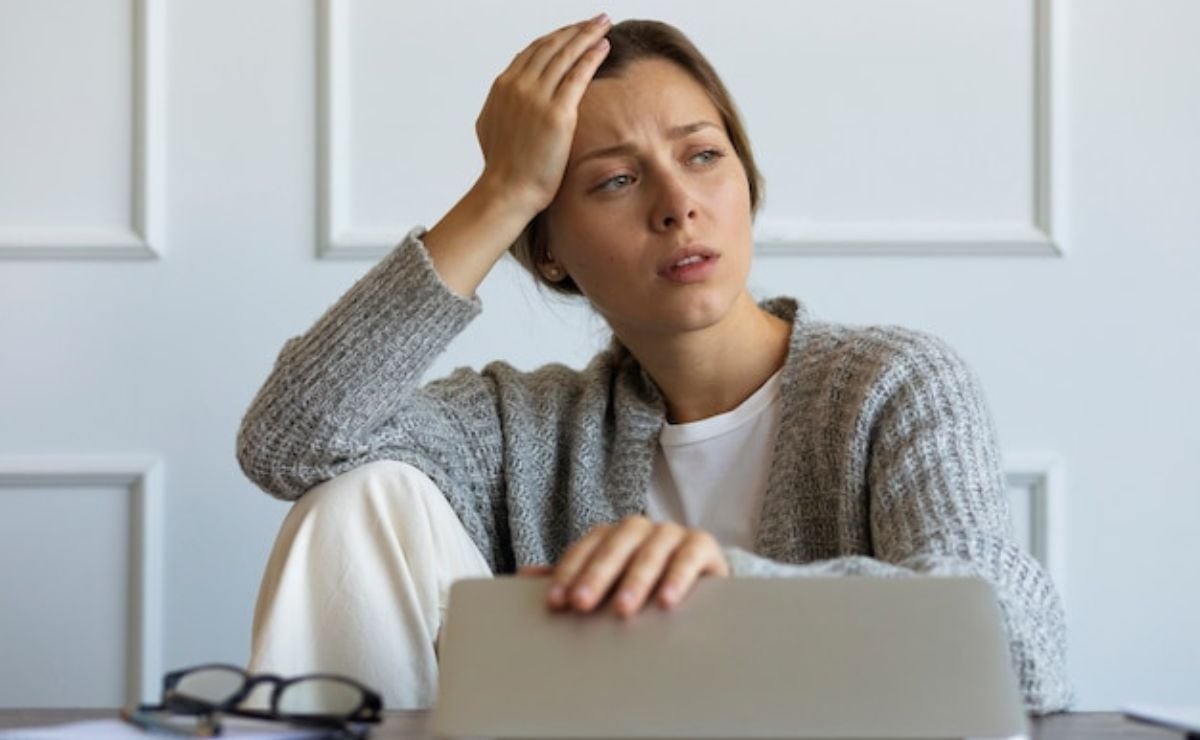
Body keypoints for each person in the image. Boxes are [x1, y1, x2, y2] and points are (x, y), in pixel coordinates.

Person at [237, 15, 1071, 713]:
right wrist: (500, 193)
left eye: (703, 155)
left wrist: (730, 589)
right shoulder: (519, 428)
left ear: (747, 180)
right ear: (550, 250)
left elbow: (1023, 655)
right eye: (616, 181)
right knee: (359, 498)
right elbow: (288, 443)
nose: (678, 204)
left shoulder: (891, 386)